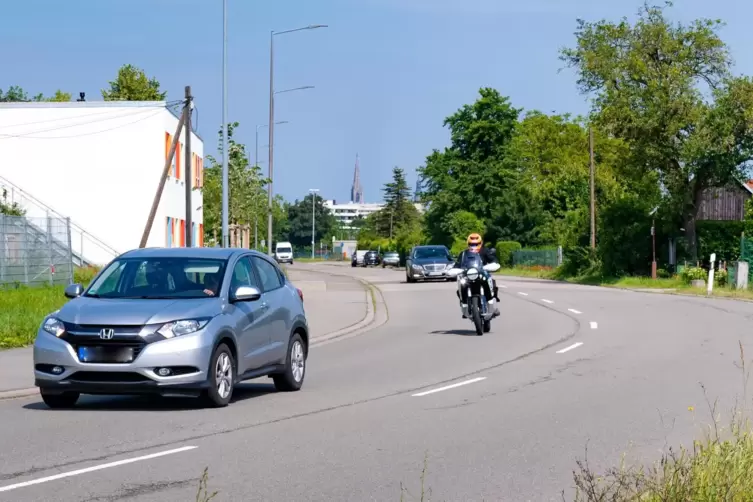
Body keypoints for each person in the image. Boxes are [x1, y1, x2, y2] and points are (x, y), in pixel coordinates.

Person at [453, 233, 500, 317]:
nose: (473, 246)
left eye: (476, 244)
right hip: (468, 276)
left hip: (482, 274)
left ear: (480, 243)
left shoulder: (485, 251)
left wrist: (493, 264)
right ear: (468, 244)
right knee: (461, 286)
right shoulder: (464, 254)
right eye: (471, 244)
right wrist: (453, 270)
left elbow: (493, 259)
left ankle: (493, 304)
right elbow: (457, 264)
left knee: (491, 283)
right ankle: (465, 304)